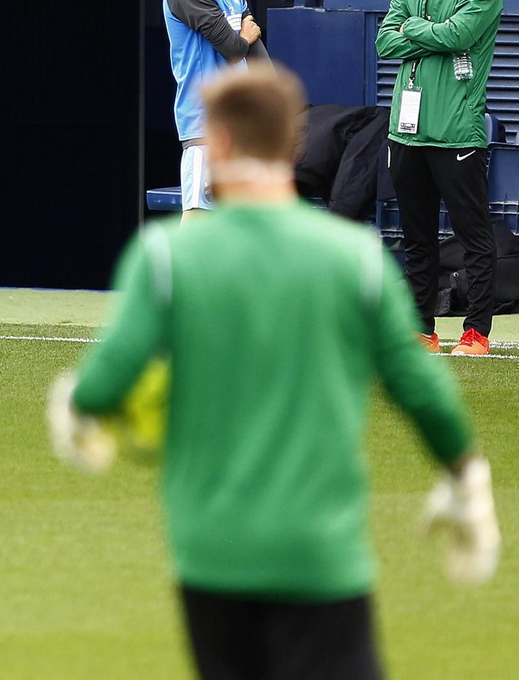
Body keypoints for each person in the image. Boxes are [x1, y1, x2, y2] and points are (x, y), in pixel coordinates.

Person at [50, 63, 498, 680]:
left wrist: (73, 409)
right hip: (321, 557)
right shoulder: (355, 260)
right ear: (294, 145)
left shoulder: (165, 258)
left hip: (211, 558)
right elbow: (423, 393)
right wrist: (465, 480)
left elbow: (102, 384)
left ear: (221, 144)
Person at [376, 0, 504, 356]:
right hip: (404, 130)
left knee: (474, 234)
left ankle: (476, 333)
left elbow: (461, 34)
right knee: (416, 237)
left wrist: (414, 27)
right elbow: (384, 42)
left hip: (456, 130)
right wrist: (427, 32)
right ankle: (421, 329)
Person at [163, 0, 266, 221]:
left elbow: (254, 51)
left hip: (243, 125)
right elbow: (234, 49)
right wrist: (243, 38)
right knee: (197, 224)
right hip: (206, 124)